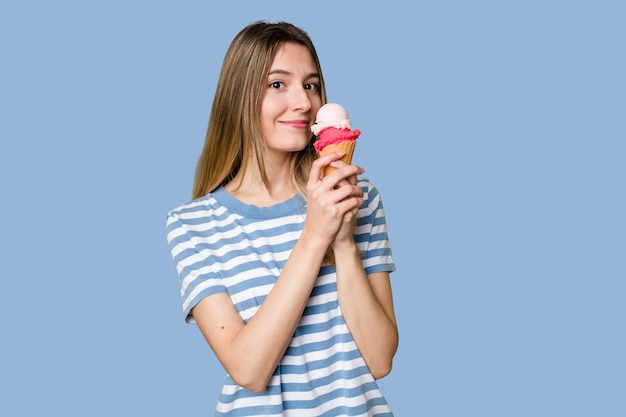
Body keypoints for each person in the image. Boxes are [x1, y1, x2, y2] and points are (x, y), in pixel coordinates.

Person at [166, 20, 398, 416]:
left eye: (310, 85)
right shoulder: (193, 225)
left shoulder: (357, 198)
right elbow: (249, 370)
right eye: (278, 84)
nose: (304, 103)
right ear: (239, 96)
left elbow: (379, 360)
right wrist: (314, 236)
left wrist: (342, 241)